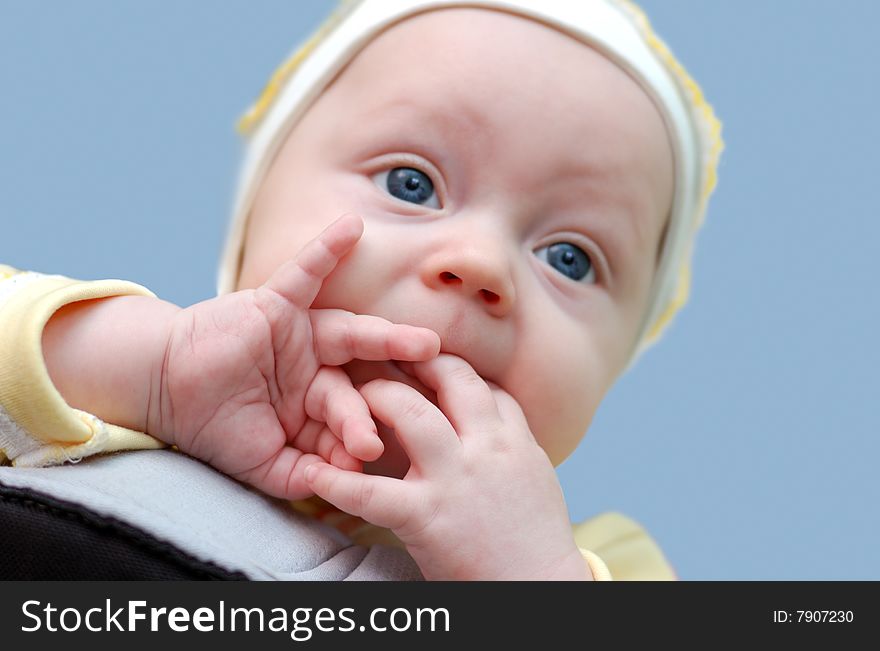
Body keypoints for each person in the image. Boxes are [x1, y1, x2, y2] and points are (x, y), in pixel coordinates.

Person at [0, 0, 723, 580]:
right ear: (250, 225)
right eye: (412, 184)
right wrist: (151, 372)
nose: (479, 264)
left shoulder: (611, 566)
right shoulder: (118, 373)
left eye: (569, 258)